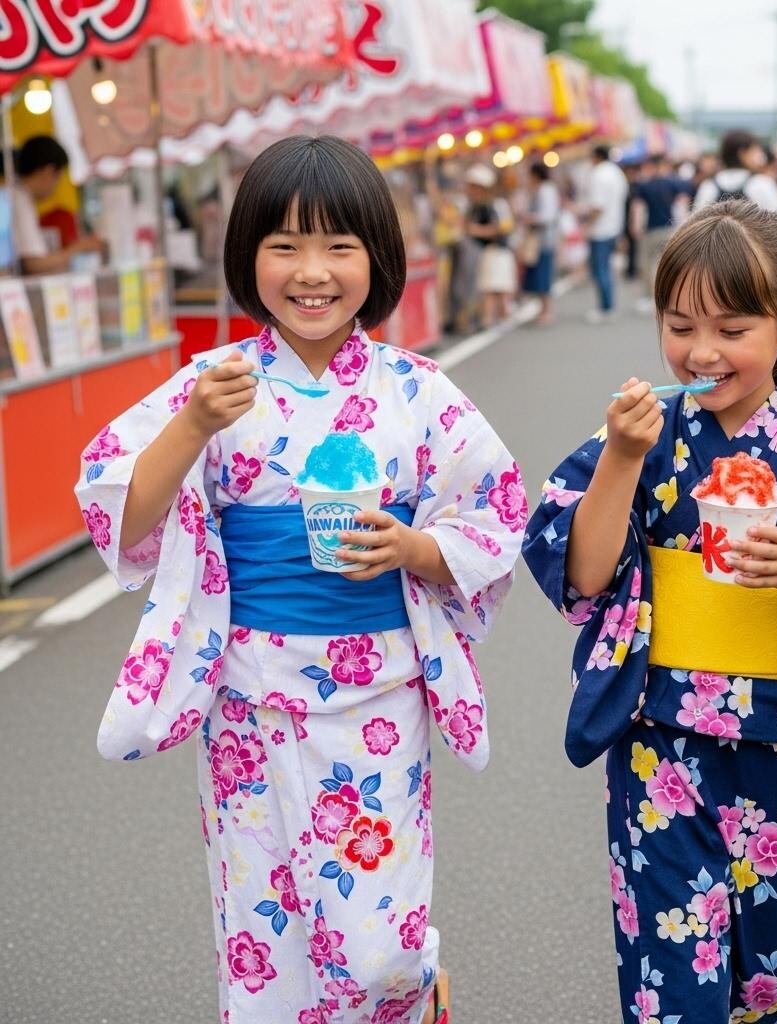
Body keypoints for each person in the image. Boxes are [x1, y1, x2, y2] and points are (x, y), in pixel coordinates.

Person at [75, 136, 525, 1024]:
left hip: (381, 692)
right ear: (248, 255)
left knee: (380, 948)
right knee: (266, 939)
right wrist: (191, 427)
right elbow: (119, 516)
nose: (311, 272)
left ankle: (418, 984)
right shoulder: (216, 385)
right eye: (284, 245)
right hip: (247, 701)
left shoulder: (417, 391)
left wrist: (415, 549)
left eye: (338, 247)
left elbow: (498, 514)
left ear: (377, 259)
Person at [523, 200, 777, 1024]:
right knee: (675, 984)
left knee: (767, 975)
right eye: (679, 327)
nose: (701, 352)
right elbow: (580, 570)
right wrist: (621, 460)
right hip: (659, 747)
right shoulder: (645, 435)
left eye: (731, 329)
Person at [10, 135, 103, 274]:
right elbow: (35, 264)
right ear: (49, 171)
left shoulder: (18, 196)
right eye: (58, 176)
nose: (57, 185)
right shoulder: (19, 201)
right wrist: (80, 248)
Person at [631, 153, 694, 311]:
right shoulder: (675, 183)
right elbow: (683, 204)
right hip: (671, 228)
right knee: (666, 264)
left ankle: (651, 298)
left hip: (651, 229)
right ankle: (668, 297)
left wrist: (635, 226)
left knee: (647, 264)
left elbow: (638, 207)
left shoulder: (644, 185)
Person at [693, 130, 777, 220]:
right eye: (756, 151)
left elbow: (695, 223)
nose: (761, 156)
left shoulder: (709, 185)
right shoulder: (761, 183)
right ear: (742, 153)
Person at [464, 163, 517, 327]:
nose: (472, 191)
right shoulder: (475, 207)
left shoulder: (496, 205)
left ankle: (499, 318)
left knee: (498, 289)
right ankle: (490, 319)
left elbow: (501, 228)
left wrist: (476, 230)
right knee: (489, 288)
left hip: (499, 251)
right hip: (487, 252)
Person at [582, 144, 630, 323]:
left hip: (600, 229)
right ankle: (608, 305)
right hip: (614, 226)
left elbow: (597, 207)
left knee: (600, 268)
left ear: (596, 156)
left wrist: (586, 225)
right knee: (605, 268)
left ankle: (606, 306)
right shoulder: (617, 172)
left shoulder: (599, 174)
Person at [520, 161, 561, 325]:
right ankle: (543, 309)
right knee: (540, 275)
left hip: (543, 239)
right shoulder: (544, 190)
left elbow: (547, 216)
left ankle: (547, 310)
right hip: (542, 239)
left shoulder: (545, 190)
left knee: (543, 275)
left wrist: (527, 217)